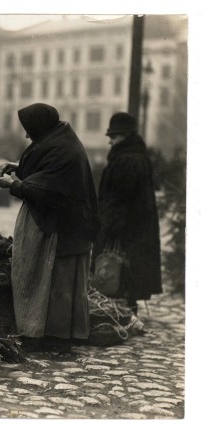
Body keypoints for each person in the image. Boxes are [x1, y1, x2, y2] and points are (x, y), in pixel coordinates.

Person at [0, 103, 99, 353]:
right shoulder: (62, 141)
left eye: (30, 129)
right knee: (59, 284)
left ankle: (57, 339)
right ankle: (55, 336)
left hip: (64, 230)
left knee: (60, 284)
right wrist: (19, 167)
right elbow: (48, 173)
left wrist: (13, 185)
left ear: (40, 127)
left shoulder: (63, 150)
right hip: (70, 226)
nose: (28, 135)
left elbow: (49, 190)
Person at [91, 112, 162, 314]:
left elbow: (118, 199)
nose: (111, 140)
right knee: (128, 269)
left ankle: (120, 313)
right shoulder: (137, 156)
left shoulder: (126, 160)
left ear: (126, 136)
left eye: (115, 136)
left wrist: (108, 229)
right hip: (137, 226)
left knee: (116, 267)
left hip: (124, 227)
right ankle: (127, 309)